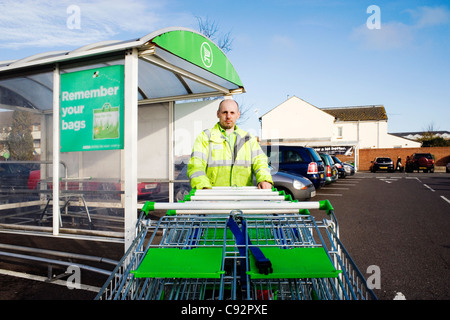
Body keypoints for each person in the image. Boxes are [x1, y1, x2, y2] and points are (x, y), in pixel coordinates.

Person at [187, 99, 273, 190]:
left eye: (232, 112)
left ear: (238, 115)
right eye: (225, 112)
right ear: (218, 114)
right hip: (214, 198)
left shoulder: (248, 138)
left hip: (243, 197)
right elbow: (196, 165)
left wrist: (264, 179)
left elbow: (260, 162)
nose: (228, 116)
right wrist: (203, 186)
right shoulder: (205, 137)